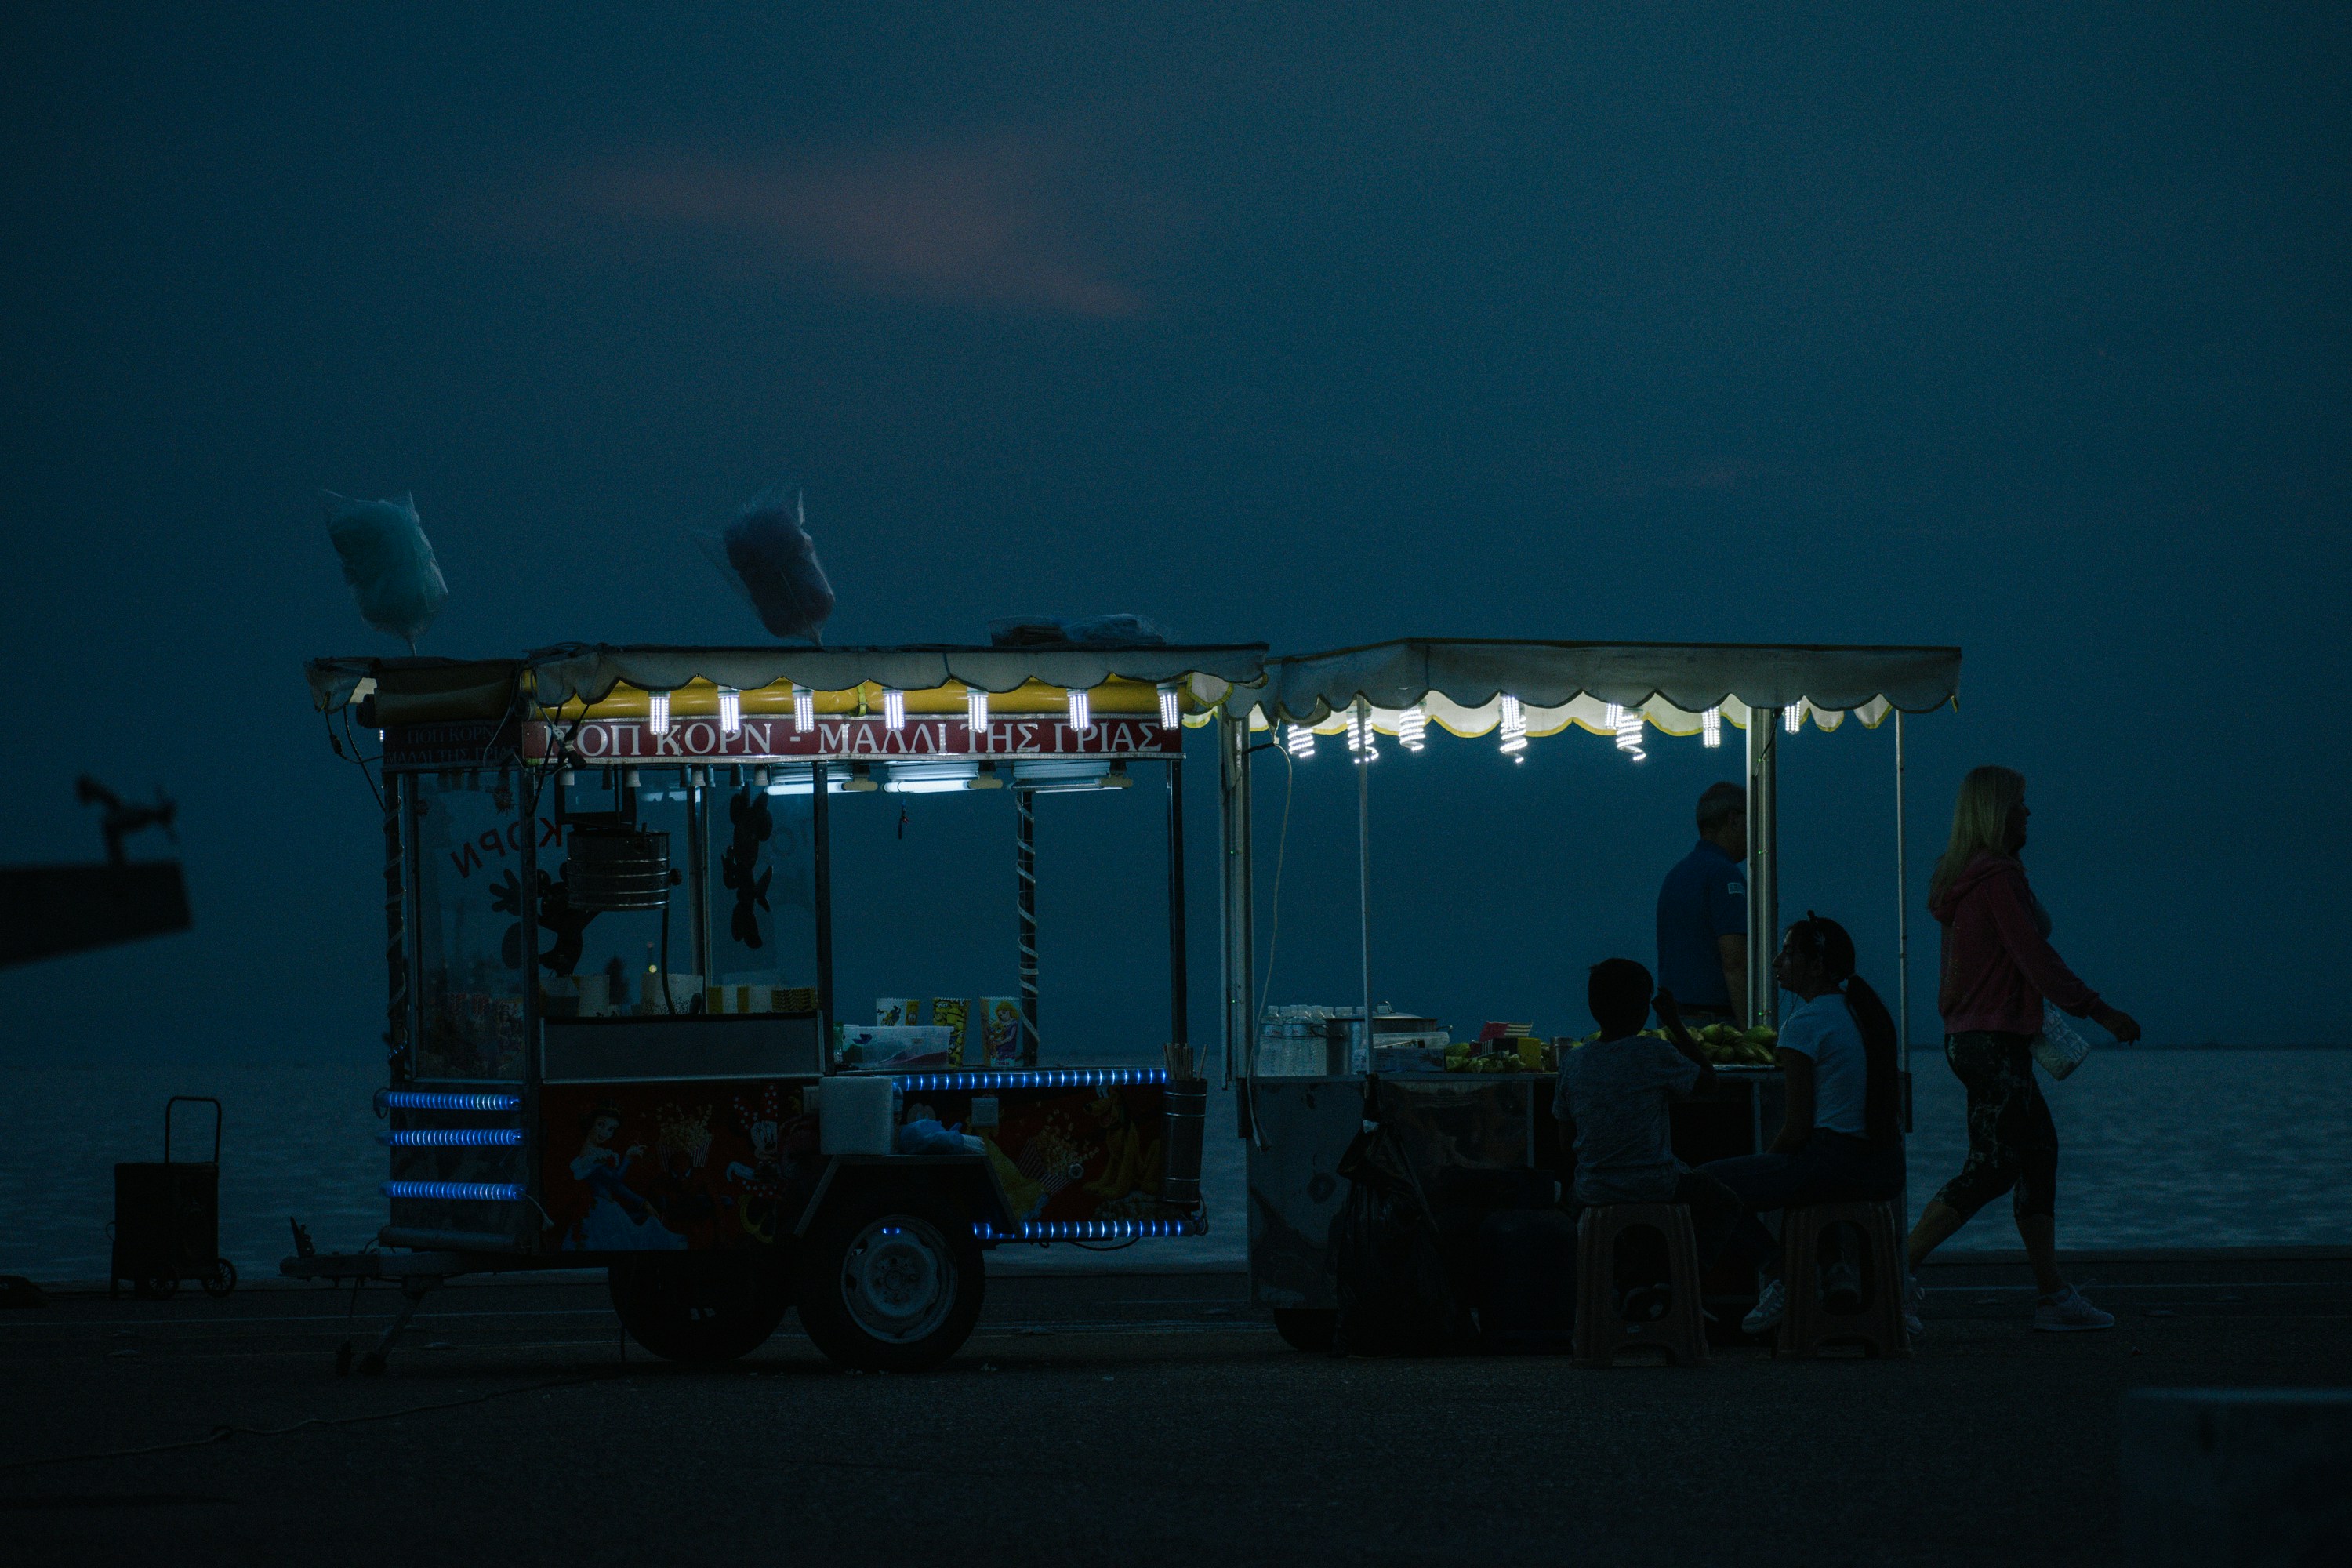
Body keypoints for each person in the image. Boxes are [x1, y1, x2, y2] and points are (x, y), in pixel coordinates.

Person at [1904, 765, 2141, 1332]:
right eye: (2020, 805)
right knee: (1992, 1167)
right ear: (1996, 812)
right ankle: (1893, 1272)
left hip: (1976, 1040)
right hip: (1991, 1043)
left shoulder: (1970, 878)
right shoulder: (1995, 881)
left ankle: (2052, 1295)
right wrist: (2100, 1010)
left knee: (2036, 1156)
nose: (2028, 814)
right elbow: (2036, 958)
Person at [1697, 914, 1907, 1334]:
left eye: (1789, 952)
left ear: (1815, 966)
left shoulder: (1805, 1024)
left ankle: (1781, 1273)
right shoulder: (1861, 1013)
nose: (1777, 961)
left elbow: (1796, 1128)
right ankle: (1837, 1272)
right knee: (1796, 1179)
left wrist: (1766, 1171)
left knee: (1706, 1187)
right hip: (1883, 1166)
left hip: (1834, 1161)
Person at [1553, 958, 1747, 1273]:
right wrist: (1675, 1023)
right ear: (1645, 1010)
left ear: (1592, 1007)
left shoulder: (1573, 1063)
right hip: (1656, 1185)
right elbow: (1710, 1082)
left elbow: (1566, 1143)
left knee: (1572, 1211)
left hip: (1593, 1189)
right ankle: (1684, 1282)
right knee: (1725, 1204)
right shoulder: (1654, 1053)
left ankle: (1615, 1288)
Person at [1656, 782, 1748, 1025]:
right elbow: (1734, 961)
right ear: (1734, 819)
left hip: (1674, 1019)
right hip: (1712, 1022)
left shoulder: (1676, 875)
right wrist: (1751, 1029)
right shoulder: (1724, 875)